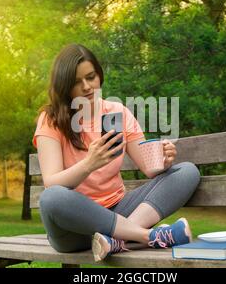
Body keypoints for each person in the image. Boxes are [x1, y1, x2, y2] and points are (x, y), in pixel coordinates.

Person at [33, 43, 201, 261]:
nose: (87, 86)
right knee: (51, 197)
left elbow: (150, 170)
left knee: (187, 172)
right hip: (73, 230)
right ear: (64, 87)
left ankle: (115, 241)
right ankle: (146, 236)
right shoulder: (51, 120)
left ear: (99, 75)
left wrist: (163, 160)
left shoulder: (118, 112)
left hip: (119, 211)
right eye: (76, 82)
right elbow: (52, 182)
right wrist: (89, 164)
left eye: (91, 77)